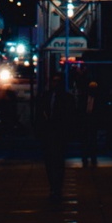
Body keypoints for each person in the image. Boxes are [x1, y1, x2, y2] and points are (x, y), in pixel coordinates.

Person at [42, 70, 72, 202]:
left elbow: (70, 117)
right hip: (48, 135)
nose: (55, 84)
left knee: (58, 163)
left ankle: (57, 188)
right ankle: (53, 187)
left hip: (59, 135)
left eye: (57, 81)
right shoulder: (46, 96)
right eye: (54, 81)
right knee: (49, 163)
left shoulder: (67, 98)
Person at [81, 79, 101, 170]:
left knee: (93, 139)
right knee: (85, 139)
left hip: (93, 120)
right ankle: (85, 157)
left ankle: (92, 157)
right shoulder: (85, 97)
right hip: (86, 120)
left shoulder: (97, 99)